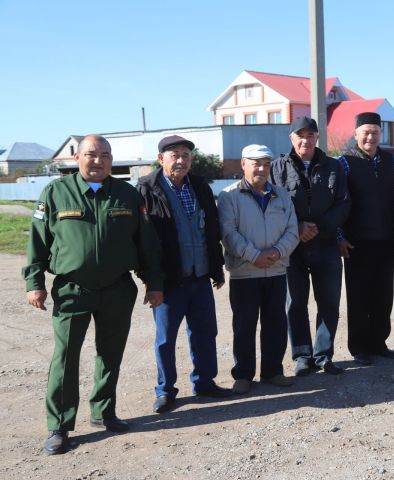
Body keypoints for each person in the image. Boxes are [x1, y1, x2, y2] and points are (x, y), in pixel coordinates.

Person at [23, 135, 164, 455]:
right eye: (90, 154)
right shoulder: (56, 193)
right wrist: (35, 283)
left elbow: (147, 244)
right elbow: (37, 241)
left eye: (104, 155)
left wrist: (154, 283)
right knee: (65, 357)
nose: (97, 160)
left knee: (110, 353)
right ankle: (59, 424)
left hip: (117, 288)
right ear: (77, 158)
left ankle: (103, 411)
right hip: (73, 289)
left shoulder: (127, 194)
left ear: (111, 160)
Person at [137, 135, 233, 414]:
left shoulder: (200, 186)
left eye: (186, 155)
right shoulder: (146, 189)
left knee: (205, 332)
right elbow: (141, 239)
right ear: (161, 159)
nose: (181, 160)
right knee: (166, 338)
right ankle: (165, 390)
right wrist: (150, 280)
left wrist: (216, 268)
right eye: (174, 155)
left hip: (200, 276)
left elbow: (211, 229)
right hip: (168, 281)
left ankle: (204, 382)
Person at [270, 117, 350, 376]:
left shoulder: (333, 167)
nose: (305, 140)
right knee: (295, 303)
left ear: (318, 137)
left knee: (329, 302)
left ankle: (323, 355)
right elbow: (272, 206)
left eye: (311, 135)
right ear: (291, 138)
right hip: (292, 247)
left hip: (325, 245)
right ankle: (302, 356)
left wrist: (321, 226)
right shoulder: (277, 168)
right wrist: (298, 228)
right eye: (300, 135)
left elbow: (344, 202)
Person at [218, 144, 299, 394]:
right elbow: (228, 234)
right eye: (256, 163)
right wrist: (255, 255)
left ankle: (273, 371)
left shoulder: (282, 195)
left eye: (266, 163)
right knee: (244, 325)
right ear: (243, 164)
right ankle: (243, 375)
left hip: (276, 271)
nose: (262, 169)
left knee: (275, 323)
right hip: (245, 273)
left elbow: (292, 231)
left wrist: (275, 253)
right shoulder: (228, 196)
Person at [337, 112, 394, 365]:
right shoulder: (344, 162)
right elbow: (338, 203)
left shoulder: (391, 161)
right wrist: (339, 236)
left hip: (384, 239)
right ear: (356, 134)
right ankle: (359, 347)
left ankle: (379, 343)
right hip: (356, 242)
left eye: (375, 132)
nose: (370, 136)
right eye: (365, 132)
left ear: (380, 134)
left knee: (383, 295)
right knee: (359, 296)